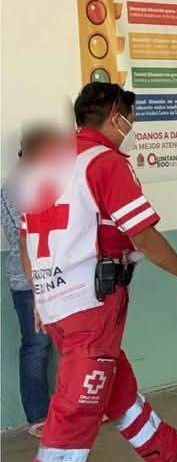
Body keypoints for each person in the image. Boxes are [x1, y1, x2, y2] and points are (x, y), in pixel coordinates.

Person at [21, 82, 177, 462]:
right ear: (114, 116)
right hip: (90, 309)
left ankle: (170, 452)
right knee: (77, 409)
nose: (130, 129)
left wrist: (40, 295)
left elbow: (27, 240)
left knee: (117, 391)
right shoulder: (104, 163)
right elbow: (142, 235)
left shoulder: (44, 164)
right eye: (129, 120)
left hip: (56, 306)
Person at [2, 126, 63, 437]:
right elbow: (26, 237)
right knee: (37, 345)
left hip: (57, 275)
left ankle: (74, 407)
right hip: (28, 280)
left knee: (68, 341)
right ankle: (38, 416)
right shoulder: (14, 188)